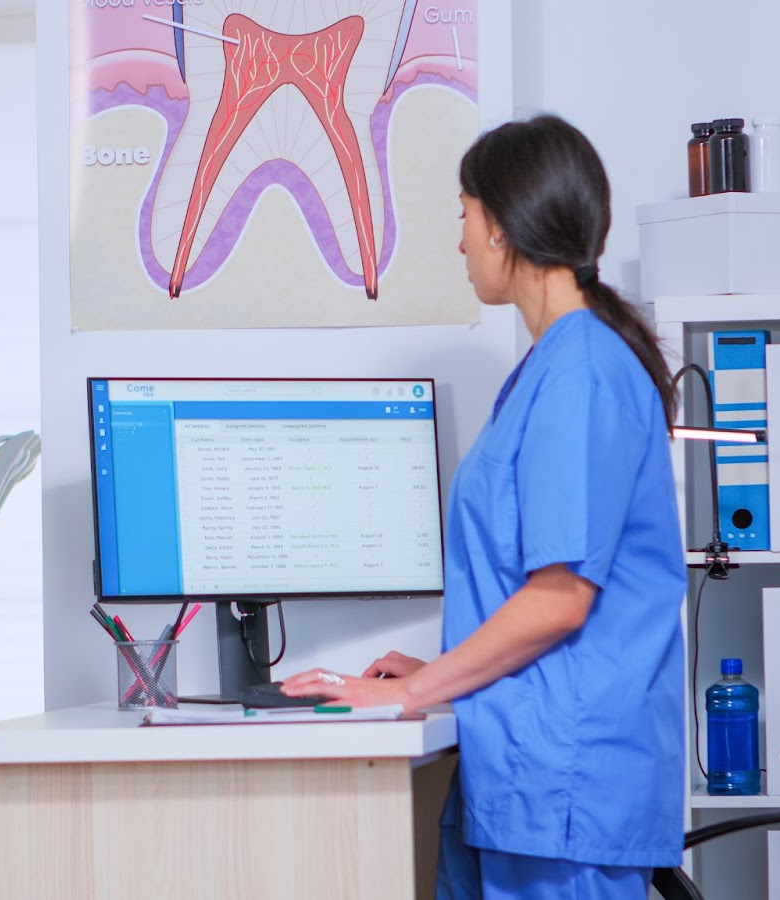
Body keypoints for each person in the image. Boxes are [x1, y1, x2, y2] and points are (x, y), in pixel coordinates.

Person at [283, 115, 685, 900]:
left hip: (563, 782)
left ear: (501, 226)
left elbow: (562, 599)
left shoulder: (582, 373)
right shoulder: (558, 365)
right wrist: (439, 673)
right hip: (530, 767)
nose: (459, 240)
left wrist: (407, 693)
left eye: (462, 215)